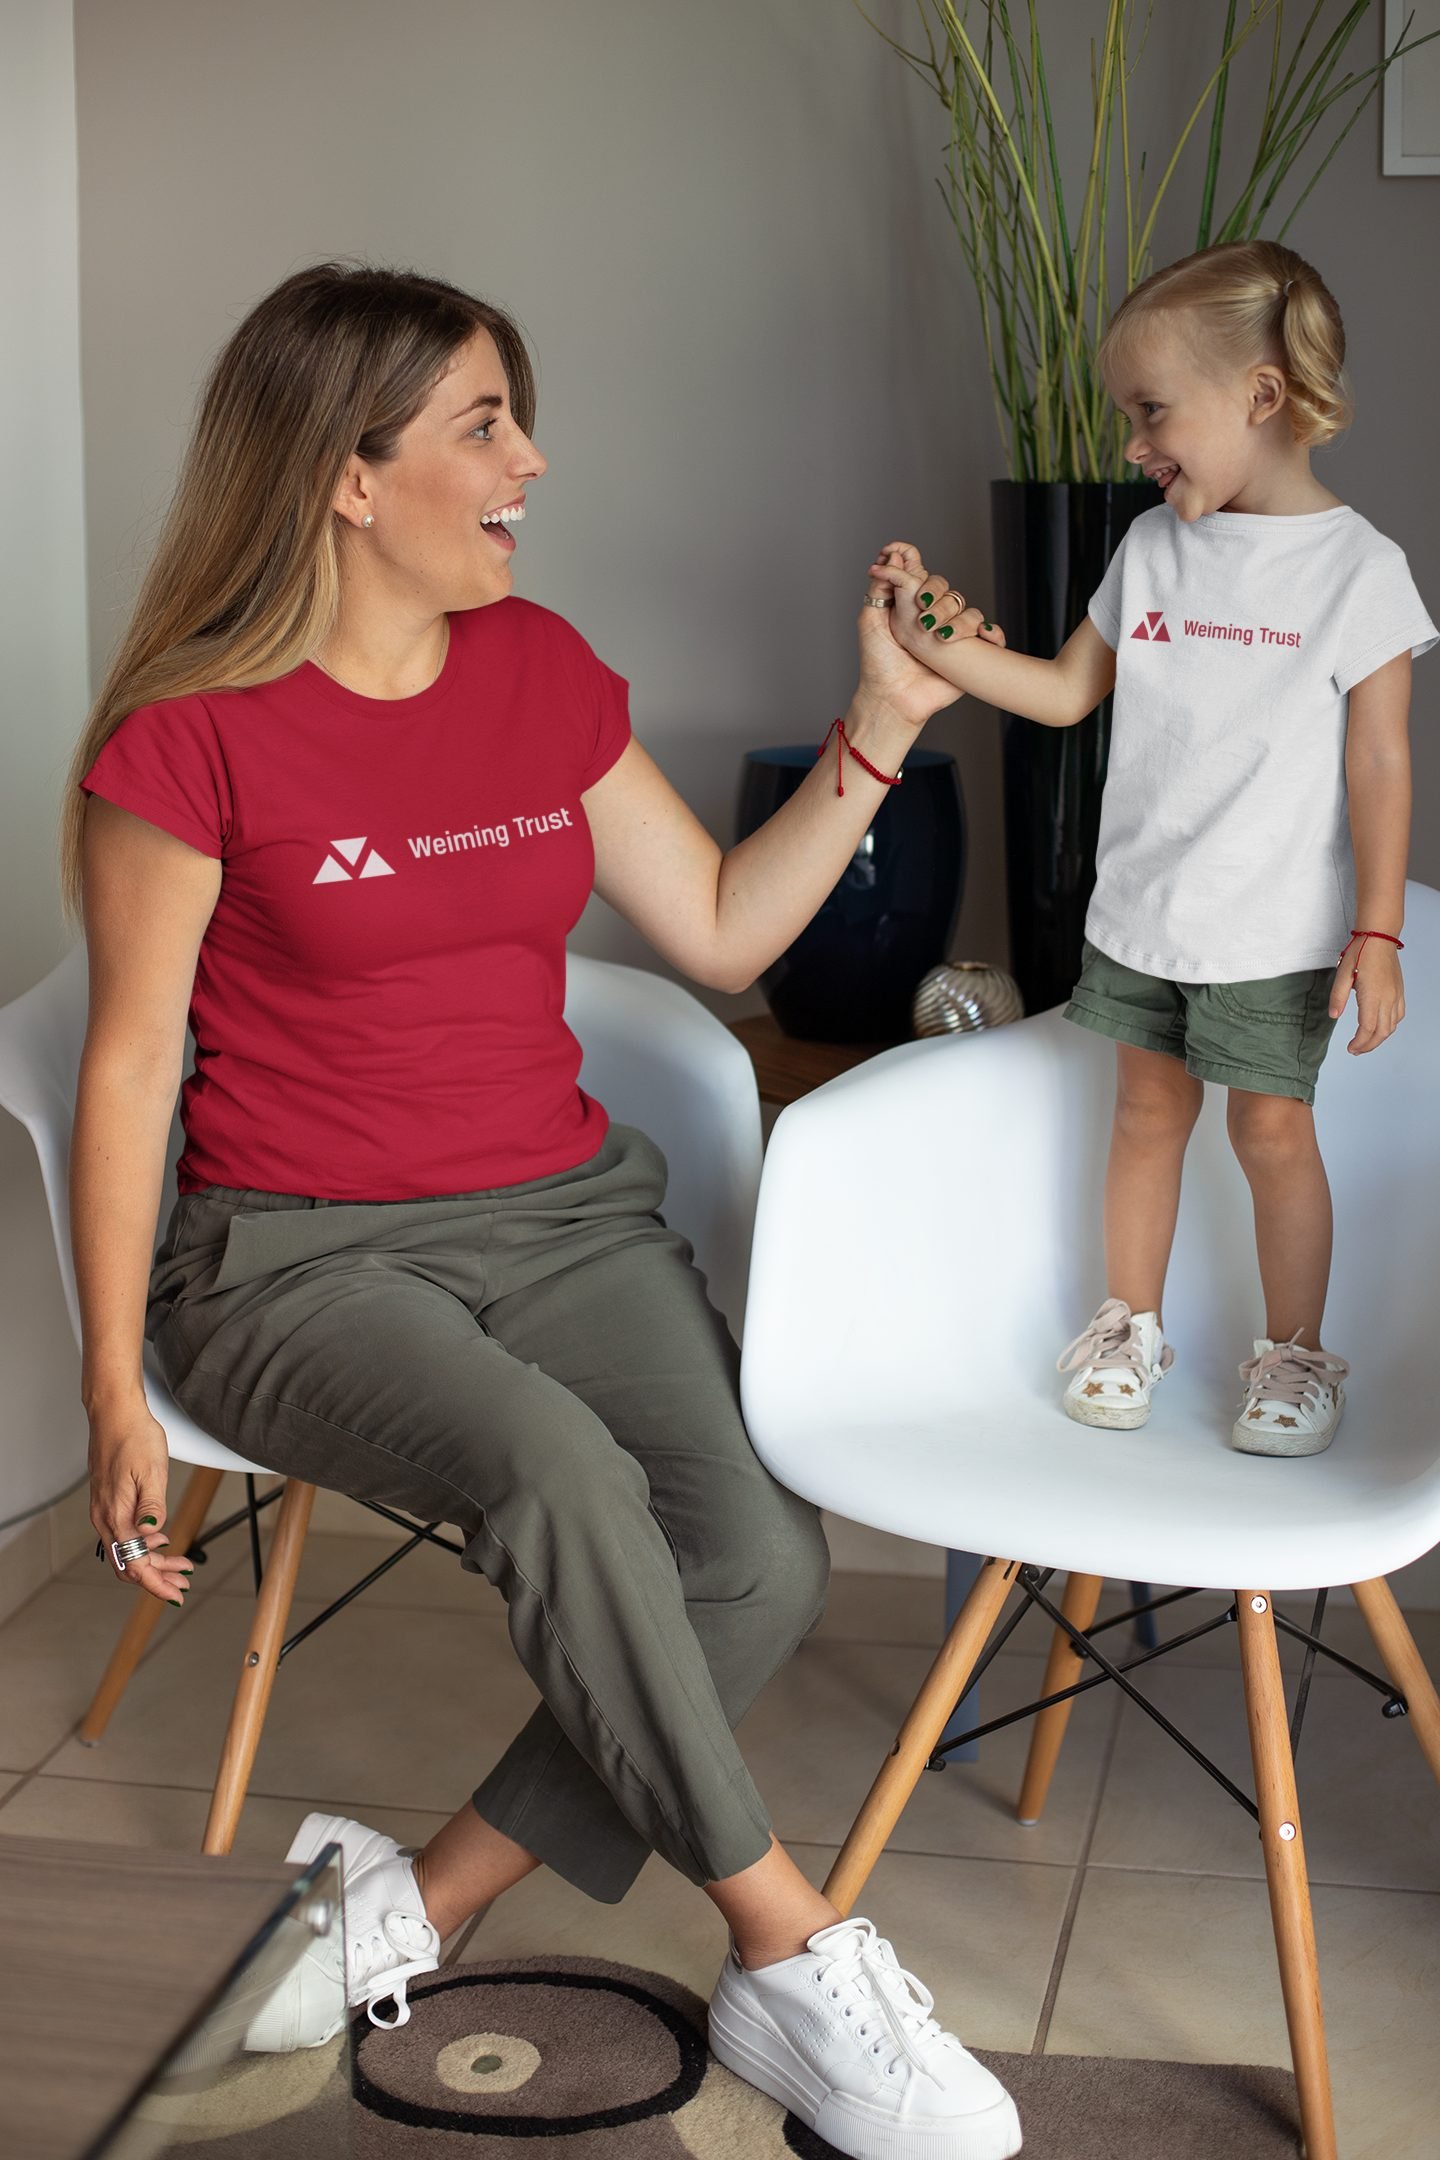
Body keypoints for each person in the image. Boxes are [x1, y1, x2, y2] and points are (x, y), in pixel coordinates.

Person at [66, 261, 1021, 2160]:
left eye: (518, 416)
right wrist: (110, 1382)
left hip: (561, 1217)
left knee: (759, 1558)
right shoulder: (193, 735)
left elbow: (732, 926)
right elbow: (127, 1070)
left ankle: (412, 1906)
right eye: (482, 426)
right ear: (346, 475)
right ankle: (791, 1947)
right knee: (565, 1480)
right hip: (293, 1252)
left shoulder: (542, 672)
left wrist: (884, 719)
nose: (532, 461)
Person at [864, 238, 1437, 1459]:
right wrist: (934, 637)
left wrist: (1377, 930)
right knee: (1142, 1119)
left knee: (1271, 1133)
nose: (1134, 444)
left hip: (1274, 932)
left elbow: (1380, 761)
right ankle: (1129, 1327)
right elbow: (1067, 691)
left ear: (1262, 397)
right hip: (1139, 917)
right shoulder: (1153, 549)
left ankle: (1294, 1356)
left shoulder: (1359, 572)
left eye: (1151, 411)